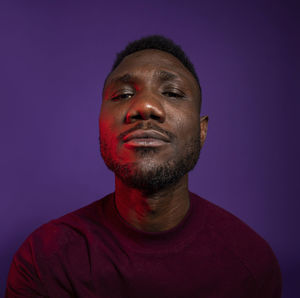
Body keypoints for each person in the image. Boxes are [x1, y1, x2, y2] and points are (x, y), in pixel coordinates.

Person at [6, 35, 282, 297]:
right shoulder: (45, 259)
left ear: (201, 132)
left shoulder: (251, 264)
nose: (146, 105)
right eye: (123, 94)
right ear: (101, 129)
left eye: (172, 92)